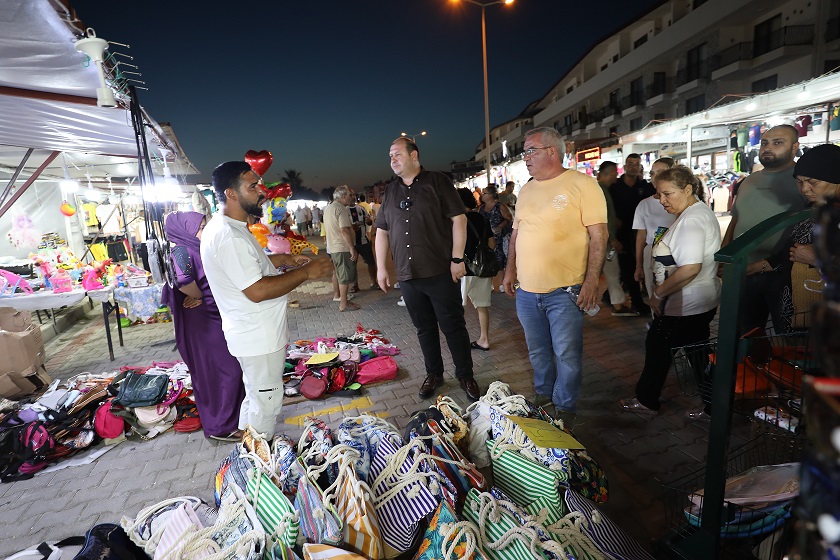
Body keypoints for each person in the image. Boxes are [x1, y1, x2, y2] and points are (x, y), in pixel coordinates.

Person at [200, 161, 333, 439]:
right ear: (231, 194)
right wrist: (307, 272)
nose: (262, 192)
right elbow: (257, 290)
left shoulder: (231, 227)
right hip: (257, 335)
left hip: (253, 334)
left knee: (255, 397)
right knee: (266, 403)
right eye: (252, 186)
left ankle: (249, 455)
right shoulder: (228, 235)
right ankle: (259, 467)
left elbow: (245, 266)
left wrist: (281, 259)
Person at [501, 127, 608, 427]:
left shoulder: (582, 184)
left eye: (530, 150)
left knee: (567, 354)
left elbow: (599, 236)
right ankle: (543, 397)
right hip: (527, 292)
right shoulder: (526, 189)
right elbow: (516, 233)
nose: (525, 158)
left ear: (552, 150)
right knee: (537, 351)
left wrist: (591, 281)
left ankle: (565, 406)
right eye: (524, 152)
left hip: (565, 291)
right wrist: (510, 270)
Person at [375, 137, 481, 402]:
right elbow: (381, 231)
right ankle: (434, 374)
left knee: (453, 326)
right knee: (424, 329)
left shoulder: (438, 182)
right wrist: (381, 268)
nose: (393, 159)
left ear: (414, 155)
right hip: (408, 276)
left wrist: (457, 260)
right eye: (390, 156)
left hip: (440, 272)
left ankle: (465, 374)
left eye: (398, 154)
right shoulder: (391, 191)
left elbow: (459, 219)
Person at [620, 166, 721, 418]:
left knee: (658, 347)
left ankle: (647, 399)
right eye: (659, 194)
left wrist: (659, 294)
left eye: (668, 194)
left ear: (688, 189)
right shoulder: (694, 211)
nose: (662, 201)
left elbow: (689, 269)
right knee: (697, 352)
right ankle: (714, 403)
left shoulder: (692, 220)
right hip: (697, 301)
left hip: (685, 304)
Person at [161, 211, 245, 442]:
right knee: (225, 370)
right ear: (185, 230)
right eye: (200, 227)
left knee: (221, 370)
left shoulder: (194, 248)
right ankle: (221, 426)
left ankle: (230, 420)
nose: (204, 231)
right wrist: (197, 297)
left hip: (210, 316)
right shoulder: (181, 249)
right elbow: (184, 280)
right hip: (203, 320)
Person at [721, 125, 808, 334]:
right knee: (747, 335)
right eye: (764, 143)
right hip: (745, 271)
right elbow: (736, 220)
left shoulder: (804, 182)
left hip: (784, 274)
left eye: (778, 143)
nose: (768, 148)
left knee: (788, 337)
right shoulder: (749, 181)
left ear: (795, 147)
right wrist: (725, 255)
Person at [763, 143, 840, 330]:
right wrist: (755, 266)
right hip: (802, 318)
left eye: (813, 182)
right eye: (799, 182)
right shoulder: (817, 210)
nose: (805, 189)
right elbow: (790, 250)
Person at [610, 153, 655, 315]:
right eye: (630, 163)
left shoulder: (645, 186)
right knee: (628, 269)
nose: (633, 167)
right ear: (625, 165)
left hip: (641, 234)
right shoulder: (615, 187)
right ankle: (637, 302)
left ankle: (611, 296)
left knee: (634, 269)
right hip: (622, 236)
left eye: (636, 164)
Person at [633, 157, 677, 320]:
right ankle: (658, 326)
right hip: (651, 253)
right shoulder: (644, 205)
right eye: (652, 173)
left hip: (678, 255)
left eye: (661, 172)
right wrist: (638, 265)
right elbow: (641, 237)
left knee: (675, 296)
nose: (655, 177)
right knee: (655, 294)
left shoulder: (684, 203)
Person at [597, 161, 635, 316]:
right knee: (612, 273)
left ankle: (617, 304)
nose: (616, 176)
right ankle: (618, 306)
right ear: (610, 172)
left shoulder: (603, 190)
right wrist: (611, 239)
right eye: (615, 173)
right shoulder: (601, 191)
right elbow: (600, 218)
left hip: (603, 240)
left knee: (609, 273)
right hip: (604, 242)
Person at [459, 188, 494, 351]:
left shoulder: (458, 220)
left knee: (457, 308)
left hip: (463, 269)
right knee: (482, 306)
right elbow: (491, 243)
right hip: (482, 269)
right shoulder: (482, 218)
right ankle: (484, 339)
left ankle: (458, 340)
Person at [324, 185, 360, 311]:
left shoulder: (329, 208)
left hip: (333, 247)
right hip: (341, 247)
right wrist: (351, 248)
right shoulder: (340, 209)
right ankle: (344, 304)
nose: (352, 198)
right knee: (344, 276)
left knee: (340, 274)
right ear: (344, 196)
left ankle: (343, 301)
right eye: (350, 195)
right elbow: (344, 230)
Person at [478, 184, 513, 286]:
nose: (482, 195)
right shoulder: (482, 208)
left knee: (500, 260)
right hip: (487, 238)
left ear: (491, 195)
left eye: (484, 193)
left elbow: (509, 218)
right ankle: (492, 283)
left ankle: (502, 283)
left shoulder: (500, 206)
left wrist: (500, 227)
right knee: (489, 259)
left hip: (500, 238)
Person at [349, 191, 378, 291]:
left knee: (371, 262)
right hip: (351, 243)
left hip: (364, 241)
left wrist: (368, 221)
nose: (352, 197)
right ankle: (354, 285)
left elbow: (369, 221)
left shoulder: (361, 208)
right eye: (350, 195)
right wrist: (352, 227)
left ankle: (374, 282)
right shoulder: (344, 210)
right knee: (352, 265)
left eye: (353, 195)